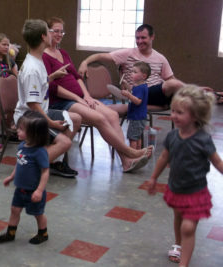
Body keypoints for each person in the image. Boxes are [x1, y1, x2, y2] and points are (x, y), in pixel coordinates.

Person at [42, 17, 152, 172]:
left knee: (112, 116)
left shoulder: (63, 53)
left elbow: (77, 76)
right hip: (62, 101)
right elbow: (51, 86)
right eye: (55, 31)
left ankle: (126, 162)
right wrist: (77, 98)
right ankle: (129, 153)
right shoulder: (44, 56)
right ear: (47, 32)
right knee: (99, 118)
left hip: (80, 98)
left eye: (62, 31)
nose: (59, 34)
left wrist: (86, 96)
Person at [147, 85, 223, 267]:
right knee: (179, 218)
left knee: (188, 228)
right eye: (173, 111)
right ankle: (178, 244)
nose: (173, 115)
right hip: (176, 188)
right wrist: (154, 178)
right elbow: (164, 157)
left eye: (179, 113)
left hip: (196, 192)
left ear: (195, 116)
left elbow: (217, 162)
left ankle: (184, 264)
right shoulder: (173, 136)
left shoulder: (203, 140)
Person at [13, 19, 81, 178]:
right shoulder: (32, 68)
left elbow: (39, 85)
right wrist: (50, 123)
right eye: (50, 32)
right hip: (29, 118)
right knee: (65, 143)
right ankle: (29, 165)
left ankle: (51, 161)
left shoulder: (38, 59)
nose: (53, 34)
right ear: (44, 37)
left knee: (76, 118)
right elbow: (32, 103)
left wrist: (51, 77)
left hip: (39, 112)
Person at [78, 24, 187, 113]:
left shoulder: (160, 58)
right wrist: (85, 62)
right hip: (138, 93)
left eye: (143, 38)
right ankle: (195, 93)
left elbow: (171, 79)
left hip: (156, 94)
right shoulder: (128, 53)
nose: (139, 41)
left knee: (177, 90)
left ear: (152, 37)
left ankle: (168, 104)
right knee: (175, 86)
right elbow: (100, 56)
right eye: (137, 38)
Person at [0, 111, 50, 245]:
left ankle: (43, 233)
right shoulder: (22, 146)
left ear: (34, 133)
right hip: (20, 190)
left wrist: (39, 190)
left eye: (21, 129)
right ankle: (10, 233)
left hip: (34, 192)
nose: (17, 130)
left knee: (38, 214)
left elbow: (45, 172)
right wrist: (11, 176)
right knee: (14, 210)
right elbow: (19, 164)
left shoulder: (40, 152)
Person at [121, 61, 150, 149]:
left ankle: (133, 155)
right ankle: (138, 154)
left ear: (143, 76)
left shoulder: (140, 88)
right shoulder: (139, 86)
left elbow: (138, 101)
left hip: (136, 117)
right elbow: (133, 92)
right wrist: (126, 85)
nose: (131, 74)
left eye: (135, 72)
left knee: (132, 138)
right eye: (132, 71)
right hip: (139, 116)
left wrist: (128, 95)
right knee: (137, 137)